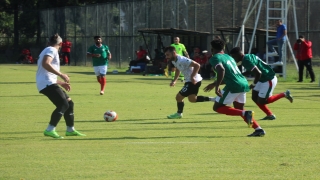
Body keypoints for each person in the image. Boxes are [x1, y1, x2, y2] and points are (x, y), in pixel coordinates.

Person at [203, 39, 265, 137]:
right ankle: (258, 129)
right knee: (239, 109)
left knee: (217, 107)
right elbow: (229, 74)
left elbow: (221, 70)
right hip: (243, 83)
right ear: (223, 48)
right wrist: (215, 84)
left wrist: (217, 86)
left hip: (233, 85)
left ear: (212, 49)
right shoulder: (229, 57)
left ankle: (246, 113)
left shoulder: (215, 58)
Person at [36, 33, 85, 139]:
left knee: (69, 103)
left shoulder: (48, 49)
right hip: (46, 84)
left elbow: (47, 73)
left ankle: (70, 130)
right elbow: (46, 64)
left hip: (48, 82)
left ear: (48, 42)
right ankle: (50, 129)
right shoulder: (52, 50)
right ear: (61, 44)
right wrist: (61, 74)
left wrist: (60, 82)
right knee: (63, 104)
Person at [230, 47, 293, 120]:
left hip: (268, 78)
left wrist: (253, 84)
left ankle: (284, 94)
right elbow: (253, 70)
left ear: (239, 54)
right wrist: (241, 74)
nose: (233, 59)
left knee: (262, 101)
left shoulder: (246, 60)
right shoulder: (247, 57)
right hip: (262, 78)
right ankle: (270, 115)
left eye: (234, 56)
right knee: (254, 97)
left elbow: (258, 73)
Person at [164, 46, 215, 119]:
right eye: (166, 55)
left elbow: (197, 65)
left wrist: (192, 77)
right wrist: (174, 80)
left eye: (168, 55)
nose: (166, 57)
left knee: (178, 97)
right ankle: (213, 99)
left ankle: (179, 114)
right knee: (192, 99)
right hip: (193, 81)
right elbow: (178, 69)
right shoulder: (173, 60)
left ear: (174, 53)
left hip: (193, 81)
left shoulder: (182, 60)